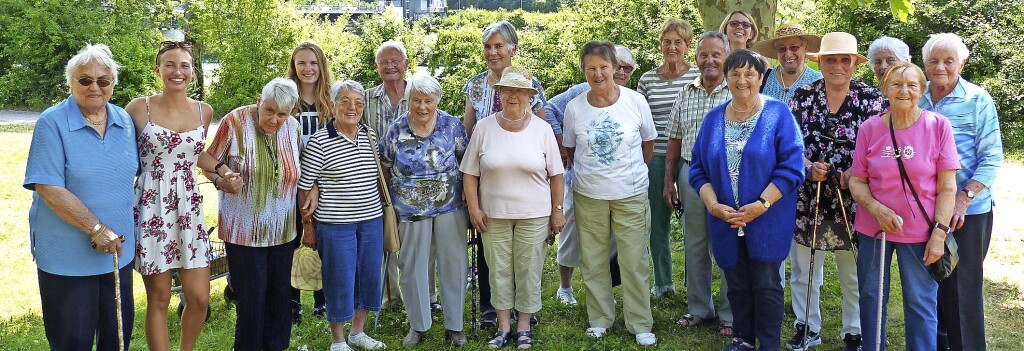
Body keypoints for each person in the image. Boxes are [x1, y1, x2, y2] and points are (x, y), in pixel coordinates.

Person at [688, 50, 805, 351]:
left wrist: (761, 206)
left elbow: (792, 168)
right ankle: (743, 339)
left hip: (767, 218)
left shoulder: (778, 114)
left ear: (761, 78)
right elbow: (698, 168)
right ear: (726, 79)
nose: (742, 80)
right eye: (735, 74)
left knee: (766, 284)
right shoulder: (713, 119)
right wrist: (713, 205)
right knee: (737, 283)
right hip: (725, 219)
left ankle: (768, 344)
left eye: (749, 74)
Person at [24, 43, 137, 350]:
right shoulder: (53, 122)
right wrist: (96, 228)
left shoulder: (124, 120)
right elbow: (48, 187)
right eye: (85, 80)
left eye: (103, 80)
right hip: (68, 259)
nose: (95, 87)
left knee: (117, 337)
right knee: (72, 340)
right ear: (70, 82)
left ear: (113, 84)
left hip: (118, 254)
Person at [784, 32, 885, 351]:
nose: (837, 66)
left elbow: (880, 150)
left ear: (855, 64)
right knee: (804, 268)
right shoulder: (802, 97)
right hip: (808, 195)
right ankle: (807, 326)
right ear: (821, 62)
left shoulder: (871, 99)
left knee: (852, 267)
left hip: (855, 197)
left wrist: (854, 175)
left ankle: (854, 330)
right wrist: (806, 166)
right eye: (831, 59)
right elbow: (787, 144)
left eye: (845, 60)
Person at [849, 61, 958, 351]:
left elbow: (948, 186)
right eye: (896, 84)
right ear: (885, 89)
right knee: (871, 297)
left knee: (920, 302)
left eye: (912, 85)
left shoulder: (938, 126)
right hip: (875, 230)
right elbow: (856, 181)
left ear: (922, 90)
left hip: (921, 233)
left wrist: (939, 235)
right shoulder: (869, 129)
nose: (904, 90)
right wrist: (877, 209)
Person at [460, 66, 565, 349]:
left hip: (535, 214)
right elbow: (470, 173)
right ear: (500, 95)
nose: (514, 96)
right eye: (508, 90)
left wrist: (557, 210)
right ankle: (503, 326)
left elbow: (557, 174)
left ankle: (523, 326)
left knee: (529, 269)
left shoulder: (542, 130)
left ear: (530, 96)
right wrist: (473, 208)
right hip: (492, 215)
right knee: (498, 270)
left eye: (520, 91)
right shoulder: (484, 128)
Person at [563, 40, 658, 346]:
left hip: (630, 194)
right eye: (591, 68)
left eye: (603, 67)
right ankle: (600, 318)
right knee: (592, 259)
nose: (598, 74)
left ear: (616, 69)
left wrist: (628, 174)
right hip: (588, 194)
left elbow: (647, 143)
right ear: (584, 71)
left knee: (634, 260)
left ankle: (640, 323)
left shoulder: (635, 101)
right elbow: (571, 148)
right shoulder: (574, 108)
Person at [125, 39, 217, 351]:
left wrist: (223, 170)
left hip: (188, 208)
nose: (177, 71)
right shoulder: (139, 108)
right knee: (160, 297)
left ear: (193, 72)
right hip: (152, 207)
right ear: (158, 69)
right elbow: (123, 156)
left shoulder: (205, 111)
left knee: (200, 297)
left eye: (184, 65)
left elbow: (193, 153)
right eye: (170, 64)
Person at [202, 78, 301, 351]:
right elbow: (206, 160)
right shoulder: (234, 122)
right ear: (259, 100)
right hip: (243, 232)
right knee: (251, 301)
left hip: (282, 230)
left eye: (282, 113)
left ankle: (276, 347)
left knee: (280, 298)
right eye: (269, 110)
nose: (274, 119)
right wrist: (222, 178)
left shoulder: (293, 128)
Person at [919, 33, 1003, 351]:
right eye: (933, 61)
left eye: (948, 60)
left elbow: (992, 157)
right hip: (925, 208)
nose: (940, 67)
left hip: (967, 211)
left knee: (962, 291)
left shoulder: (977, 100)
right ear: (924, 65)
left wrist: (962, 199)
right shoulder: (916, 95)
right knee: (931, 288)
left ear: (962, 63)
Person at [462, 20, 548, 328]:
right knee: (491, 247)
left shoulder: (528, 82)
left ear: (513, 49)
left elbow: (542, 126)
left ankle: (525, 309)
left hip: (525, 180)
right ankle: (491, 308)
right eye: (488, 46)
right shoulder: (474, 84)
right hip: (487, 175)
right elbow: (467, 129)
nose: (492, 52)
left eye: (499, 46)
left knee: (523, 252)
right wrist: (468, 179)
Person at [378, 74, 470, 347]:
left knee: (454, 265)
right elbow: (383, 166)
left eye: (428, 101)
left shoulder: (452, 126)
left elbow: (466, 163)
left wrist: (470, 198)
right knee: (412, 267)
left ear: (436, 101)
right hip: (409, 209)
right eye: (416, 100)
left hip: (450, 207)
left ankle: (455, 326)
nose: (421, 107)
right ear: (408, 100)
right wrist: (387, 204)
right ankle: (418, 325)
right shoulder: (396, 130)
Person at [298, 80, 387, 351]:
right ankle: (338, 340)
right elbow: (304, 188)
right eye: (345, 101)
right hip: (335, 225)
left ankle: (358, 333)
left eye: (358, 102)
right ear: (333, 105)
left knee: (369, 277)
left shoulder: (369, 134)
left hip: (371, 220)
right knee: (339, 280)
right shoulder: (319, 141)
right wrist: (308, 226)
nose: (352, 107)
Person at [545, 45, 637, 306]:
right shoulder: (579, 92)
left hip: (616, 186)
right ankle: (565, 287)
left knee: (609, 240)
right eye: (617, 65)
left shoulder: (630, 98)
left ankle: (604, 291)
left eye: (627, 69)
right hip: (578, 179)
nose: (621, 72)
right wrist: (561, 141)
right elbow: (549, 108)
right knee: (571, 232)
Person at [663, 31, 735, 337]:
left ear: (727, 58)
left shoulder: (738, 90)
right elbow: (675, 139)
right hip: (692, 175)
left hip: (730, 177)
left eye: (716, 55)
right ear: (696, 58)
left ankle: (731, 314)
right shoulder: (685, 92)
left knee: (730, 245)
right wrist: (669, 180)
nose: (709, 61)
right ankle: (699, 309)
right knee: (695, 245)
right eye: (704, 55)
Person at [636, 19, 700, 298]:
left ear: (687, 45)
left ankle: (693, 283)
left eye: (678, 41)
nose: (672, 46)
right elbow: (639, 122)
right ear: (660, 44)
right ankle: (663, 283)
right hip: (656, 158)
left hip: (690, 158)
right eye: (667, 41)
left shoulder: (698, 77)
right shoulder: (647, 80)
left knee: (693, 223)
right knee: (658, 223)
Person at [287, 41, 332, 323]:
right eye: (301, 63)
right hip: (290, 183)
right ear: (294, 66)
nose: (308, 68)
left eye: (313, 63)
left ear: (321, 66)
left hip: (325, 181)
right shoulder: (286, 98)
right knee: (291, 239)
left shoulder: (331, 98)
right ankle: (291, 302)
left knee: (322, 238)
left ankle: (322, 299)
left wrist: (316, 180)